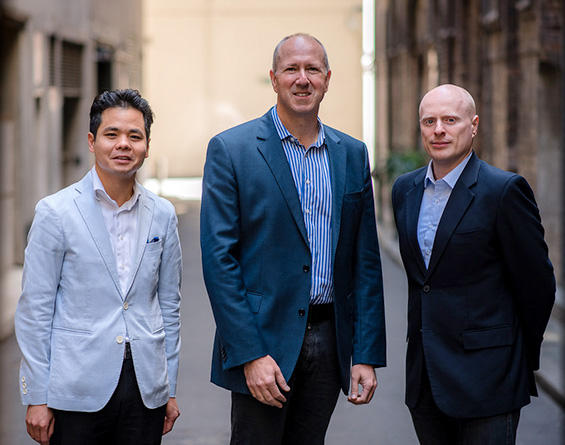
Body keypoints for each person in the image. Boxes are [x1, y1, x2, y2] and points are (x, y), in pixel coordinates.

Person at [200, 33, 386, 444]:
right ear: (274, 78)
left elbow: (365, 261)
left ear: (327, 78)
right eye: (291, 69)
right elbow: (219, 261)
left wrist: (366, 354)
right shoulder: (232, 150)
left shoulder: (351, 154)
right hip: (264, 342)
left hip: (329, 338)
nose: (302, 79)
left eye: (312, 69)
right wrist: (249, 353)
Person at [15, 89, 182, 445]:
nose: (124, 144)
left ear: (147, 146)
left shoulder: (163, 215)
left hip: (144, 388)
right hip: (76, 389)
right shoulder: (56, 212)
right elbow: (35, 310)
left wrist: (168, 386)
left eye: (134, 136)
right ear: (92, 142)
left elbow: (169, 305)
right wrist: (37, 396)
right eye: (112, 134)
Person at [391, 84, 555, 444]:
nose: (438, 130)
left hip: (488, 379)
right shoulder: (404, 190)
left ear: (474, 125)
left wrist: (515, 359)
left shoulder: (504, 190)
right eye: (429, 121)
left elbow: (537, 286)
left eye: (450, 120)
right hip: (425, 379)